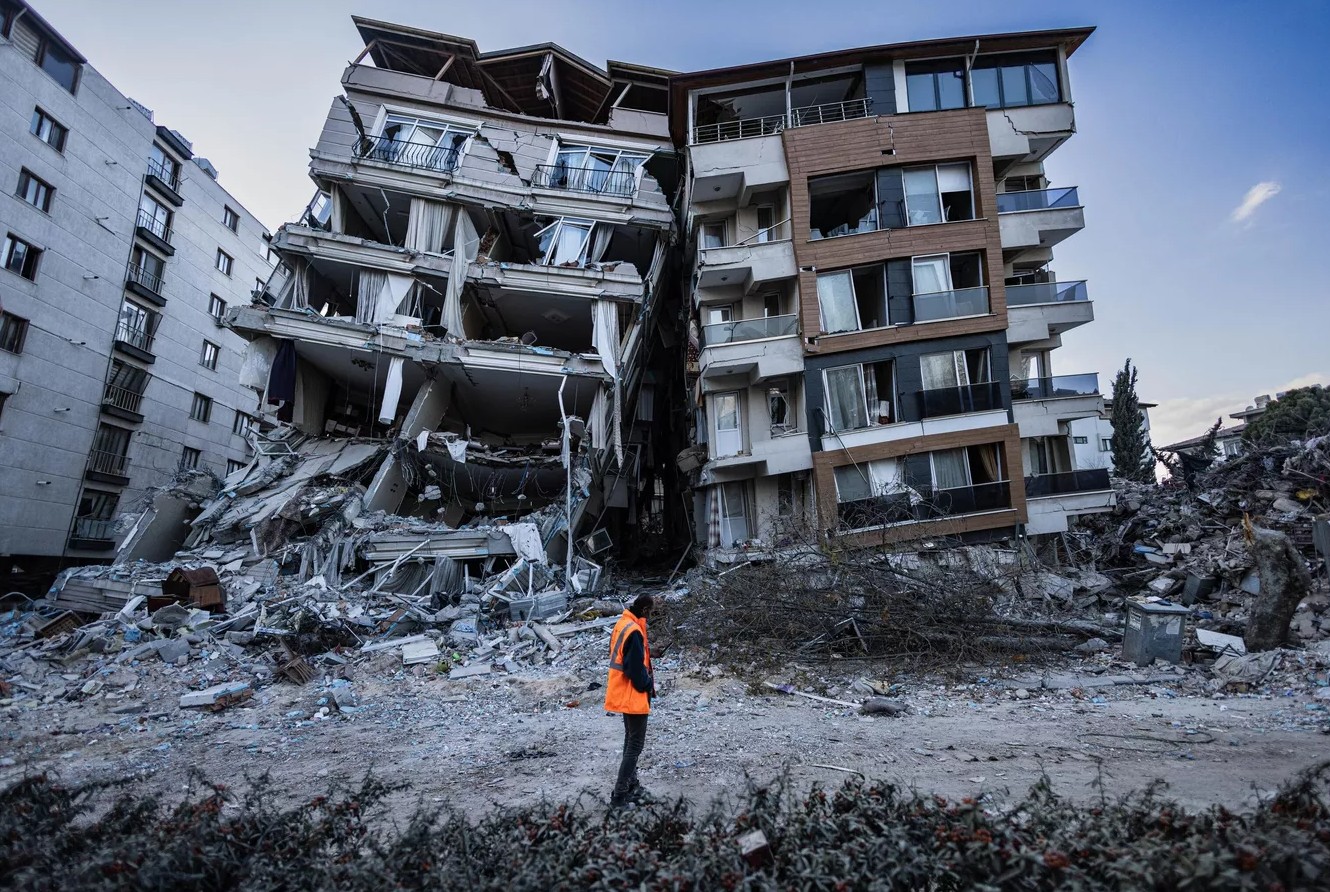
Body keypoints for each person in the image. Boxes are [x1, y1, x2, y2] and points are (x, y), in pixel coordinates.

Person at [604, 593, 656, 808]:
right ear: (644, 610)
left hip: (623, 690)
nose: (651, 615)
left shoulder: (623, 624)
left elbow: (626, 657)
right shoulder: (633, 631)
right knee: (634, 746)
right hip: (632, 693)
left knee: (630, 743)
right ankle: (620, 795)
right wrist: (647, 685)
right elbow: (633, 667)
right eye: (650, 612)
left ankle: (633, 788)